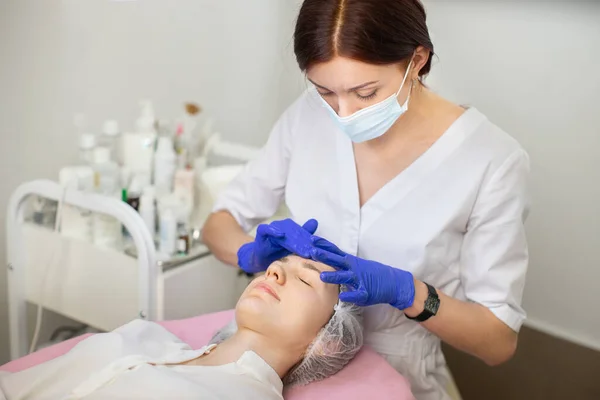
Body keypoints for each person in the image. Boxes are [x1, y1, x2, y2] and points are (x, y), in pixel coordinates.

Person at [201, 0, 530, 399]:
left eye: (366, 92)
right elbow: (218, 223)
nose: (344, 113)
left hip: (402, 378)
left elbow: (497, 343)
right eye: (325, 91)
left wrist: (408, 292)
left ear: (417, 60)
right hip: (288, 373)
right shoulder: (306, 116)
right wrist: (249, 252)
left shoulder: (492, 159)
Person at [0, 256, 363, 400]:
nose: (275, 271)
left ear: (327, 341)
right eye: (279, 263)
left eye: (306, 281)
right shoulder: (149, 335)